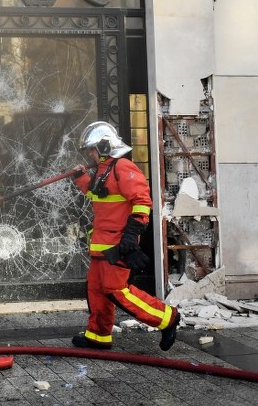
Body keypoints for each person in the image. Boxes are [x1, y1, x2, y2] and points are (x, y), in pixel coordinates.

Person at [70, 120, 181, 351]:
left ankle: (167, 318)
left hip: (117, 244)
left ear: (104, 146)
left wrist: (131, 236)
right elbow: (99, 195)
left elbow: (142, 202)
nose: (90, 154)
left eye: (92, 149)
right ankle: (98, 336)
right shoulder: (103, 171)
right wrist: (81, 179)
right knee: (96, 290)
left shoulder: (123, 167)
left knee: (116, 291)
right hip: (100, 244)